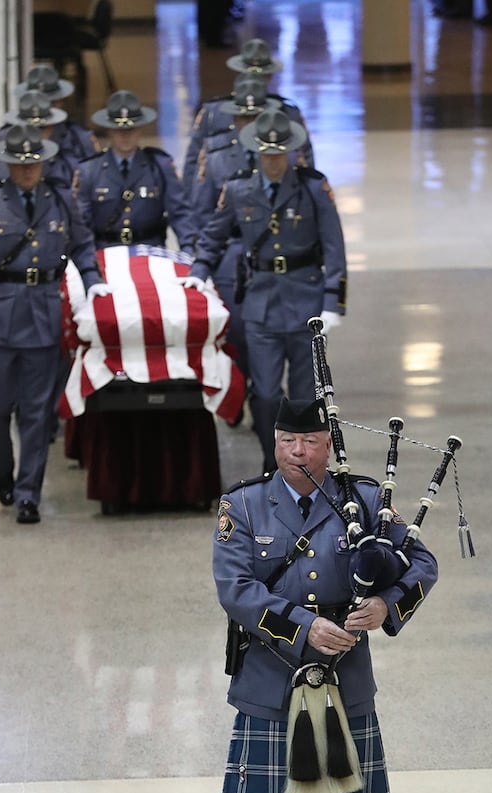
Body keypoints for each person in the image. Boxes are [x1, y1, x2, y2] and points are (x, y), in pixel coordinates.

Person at [213, 396, 438, 793]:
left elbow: (422, 562)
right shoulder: (243, 505)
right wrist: (303, 626)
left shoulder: (363, 501)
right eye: (288, 440)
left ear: (329, 445)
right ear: (275, 442)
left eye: (310, 441)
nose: (298, 452)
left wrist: (387, 603)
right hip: (270, 674)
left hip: (345, 680)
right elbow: (235, 587)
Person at [0, 124, 101, 524]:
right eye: (20, 164)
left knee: (37, 412)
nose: (29, 171)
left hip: (44, 315)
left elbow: (82, 245)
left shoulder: (61, 200)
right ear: (8, 165)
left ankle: (29, 492)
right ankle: (4, 470)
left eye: (34, 164)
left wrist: (93, 284)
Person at [187, 108, 346, 472]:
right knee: (266, 393)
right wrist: (199, 270)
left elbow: (334, 244)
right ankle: (272, 461)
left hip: (306, 301)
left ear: (290, 152)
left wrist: (333, 301)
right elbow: (213, 236)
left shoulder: (312, 187)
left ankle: (306, 467)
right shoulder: (239, 188)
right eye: (267, 154)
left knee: (307, 395)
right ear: (257, 152)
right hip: (260, 304)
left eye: (280, 154)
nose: (274, 161)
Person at [191, 74, 279, 379]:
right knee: (238, 331)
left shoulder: (283, 158)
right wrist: (203, 259)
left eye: (255, 116)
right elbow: (202, 213)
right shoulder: (215, 158)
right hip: (231, 253)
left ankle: (261, 391)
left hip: (272, 255)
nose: (249, 123)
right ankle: (242, 382)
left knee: (272, 331)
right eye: (244, 117)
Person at [183, 37, 314, 196]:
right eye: (249, 73)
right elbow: (195, 162)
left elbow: (305, 162)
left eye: (262, 75)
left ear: (270, 76)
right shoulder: (213, 112)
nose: (255, 80)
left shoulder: (287, 113)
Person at [73, 89, 197, 255]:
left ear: (140, 129)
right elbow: (82, 225)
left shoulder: (159, 166)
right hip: (105, 254)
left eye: (131, 129)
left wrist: (189, 255)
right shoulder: (89, 170)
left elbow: (181, 215)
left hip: (150, 253)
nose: (125, 136)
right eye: (118, 129)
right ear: (109, 130)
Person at [0, 90, 74, 187]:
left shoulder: (64, 162)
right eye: (29, 126)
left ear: (53, 127)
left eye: (42, 128)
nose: (35, 133)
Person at [15, 64, 100, 166]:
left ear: (61, 102)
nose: (44, 110)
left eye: (51, 103)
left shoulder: (79, 137)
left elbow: (94, 174)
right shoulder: (11, 137)